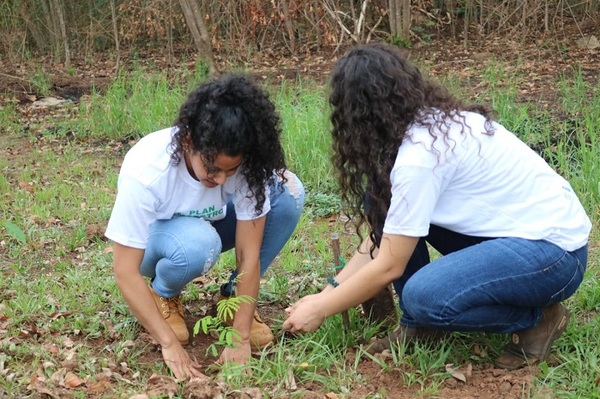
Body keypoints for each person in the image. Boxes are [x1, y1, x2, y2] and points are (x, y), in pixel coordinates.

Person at [283, 43, 591, 370]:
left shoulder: (419, 157)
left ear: (356, 115)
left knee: (422, 298)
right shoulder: (428, 127)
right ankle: (422, 326)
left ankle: (537, 318)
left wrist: (321, 308)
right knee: (379, 198)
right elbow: (386, 237)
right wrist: (328, 291)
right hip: (518, 236)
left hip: (553, 256)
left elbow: (389, 264)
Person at [105, 75, 305, 379]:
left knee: (287, 192)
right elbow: (124, 270)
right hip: (156, 244)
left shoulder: (245, 167)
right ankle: (165, 293)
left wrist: (240, 336)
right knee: (198, 243)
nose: (222, 179)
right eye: (212, 168)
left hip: (211, 224)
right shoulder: (148, 170)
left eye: (231, 169)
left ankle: (231, 300)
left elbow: (248, 256)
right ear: (188, 141)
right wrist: (168, 343)